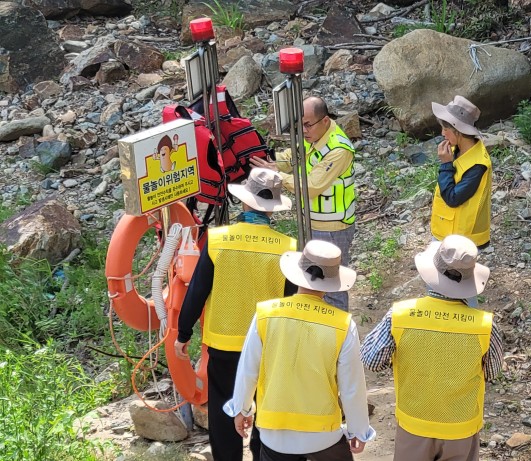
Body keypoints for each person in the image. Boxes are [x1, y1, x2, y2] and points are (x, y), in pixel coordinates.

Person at [174, 168, 297, 461]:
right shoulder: (287, 247)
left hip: (225, 344)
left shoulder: (218, 239)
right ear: (272, 208)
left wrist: (183, 334)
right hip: (268, 346)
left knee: (223, 411)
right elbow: (291, 302)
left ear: (244, 202)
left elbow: (198, 291)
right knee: (264, 411)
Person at [224, 239, 375, 461]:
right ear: (333, 281)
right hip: (323, 432)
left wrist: (242, 409)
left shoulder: (266, 314)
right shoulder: (342, 324)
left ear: (297, 273)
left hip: (274, 432)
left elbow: (249, 369)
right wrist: (358, 430)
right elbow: (352, 386)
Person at [360, 235, 504, 461]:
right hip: (461, 426)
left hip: (414, 423)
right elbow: (492, 372)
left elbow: (371, 361)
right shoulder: (485, 325)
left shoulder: (400, 315)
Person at [251, 96, 358, 311]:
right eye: (300, 125)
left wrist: (279, 176)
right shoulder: (316, 137)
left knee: (332, 288)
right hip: (313, 223)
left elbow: (312, 186)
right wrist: (274, 161)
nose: (304, 131)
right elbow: (295, 155)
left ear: (325, 121)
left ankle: (339, 334)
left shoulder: (339, 150)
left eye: (308, 125)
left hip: (333, 229)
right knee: (312, 282)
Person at [429, 95, 493, 249]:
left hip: (461, 242)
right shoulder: (455, 149)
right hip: (447, 232)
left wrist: (446, 165)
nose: (442, 133)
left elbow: (453, 198)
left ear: (457, 130)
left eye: (446, 129)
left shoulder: (478, 165)